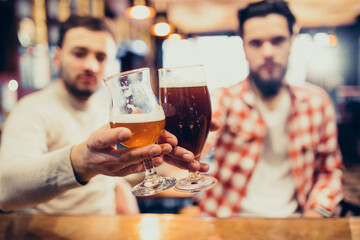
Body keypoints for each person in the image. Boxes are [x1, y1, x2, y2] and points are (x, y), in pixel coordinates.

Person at [0, 15, 208, 215]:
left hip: (108, 228)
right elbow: (5, 189)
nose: (91, 66)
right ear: (57, 57)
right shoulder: (30, 109)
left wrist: (159, 169)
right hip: (50, 231)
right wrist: (80, 163)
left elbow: (113, 174)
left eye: (101, 57)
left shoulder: (104, 109)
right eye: (79, 53)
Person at [197, 0, 343, 218]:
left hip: (296, 220)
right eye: (256, 43)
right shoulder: (224, 98)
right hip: (227, 220)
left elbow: (329, 171)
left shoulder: (316, 102)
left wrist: (316, 213)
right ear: (244, 48)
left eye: (278, 40)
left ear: (292, 42)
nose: (267, 52)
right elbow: (203, 138)